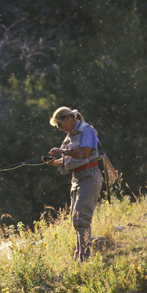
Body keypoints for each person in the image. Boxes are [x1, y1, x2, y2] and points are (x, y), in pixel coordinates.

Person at [45, 107, 103, 262]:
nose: (60, 128)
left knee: (82, 217)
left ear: (68, 118)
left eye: (59, 124)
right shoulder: (70, 136)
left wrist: (62, 152)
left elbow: (84, 152)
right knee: (75, 218)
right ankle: (79, 255)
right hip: (77, 178)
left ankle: (85, 257)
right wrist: (53, 162)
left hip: (90, 176)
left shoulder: (86, 130)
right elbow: (71, 159)